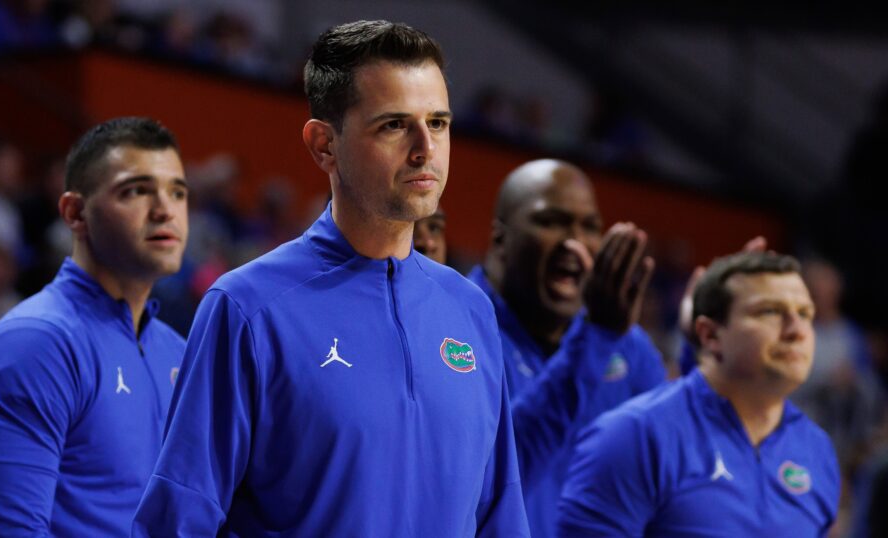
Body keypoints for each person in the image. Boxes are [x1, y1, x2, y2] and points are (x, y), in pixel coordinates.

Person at [134, 20, 529, 536]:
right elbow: (177, 522)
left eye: (437, 123)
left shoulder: (471, 309)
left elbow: (502, 515)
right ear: (324, 145)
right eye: (393, 125)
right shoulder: (247, 309)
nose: (424, 149)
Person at [0, 117, 189, 536]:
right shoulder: (33, 346)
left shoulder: (177, 352)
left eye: (177, 192)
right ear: (75, 213)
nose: (164, 209)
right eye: (136, 190)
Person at [557, 251, 840, 536]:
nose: (797, 331)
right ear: (710, 335)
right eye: (769, 311)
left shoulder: (817, 450)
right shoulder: (635, 435)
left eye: (805, 314)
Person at [466, 158, 665, 536]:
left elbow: (672, 466)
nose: (574, 242)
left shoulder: (626, 345)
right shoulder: (457, 331)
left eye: (589, 226)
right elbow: (487, 482)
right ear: (500, 240)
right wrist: (594, 339)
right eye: (551, 221)